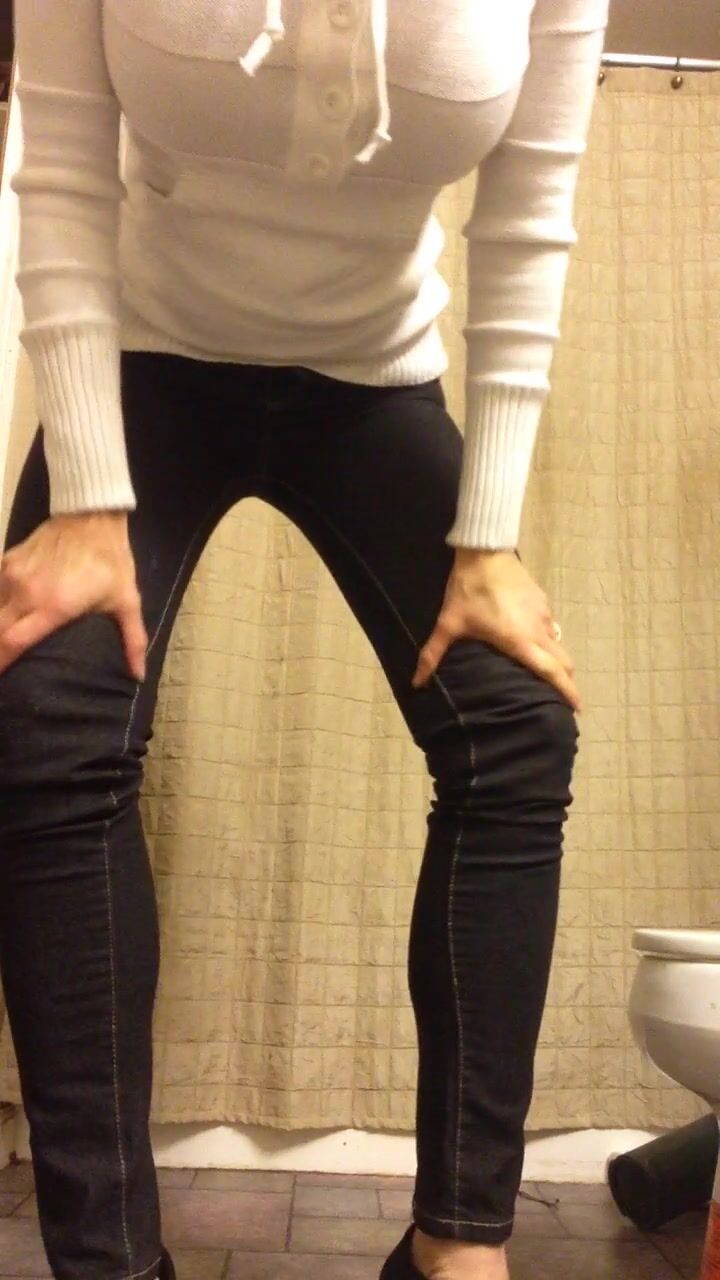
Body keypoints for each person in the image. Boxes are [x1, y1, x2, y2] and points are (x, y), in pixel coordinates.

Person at [0, 2, 608, 1277]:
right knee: (48, 711)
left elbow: (527, 214)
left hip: (371, 375)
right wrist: (88, 496)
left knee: (516, 719)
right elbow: (59, 158)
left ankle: (458, 1242)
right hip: (143, 356)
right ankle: (109, 1260)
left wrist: (489, 537)